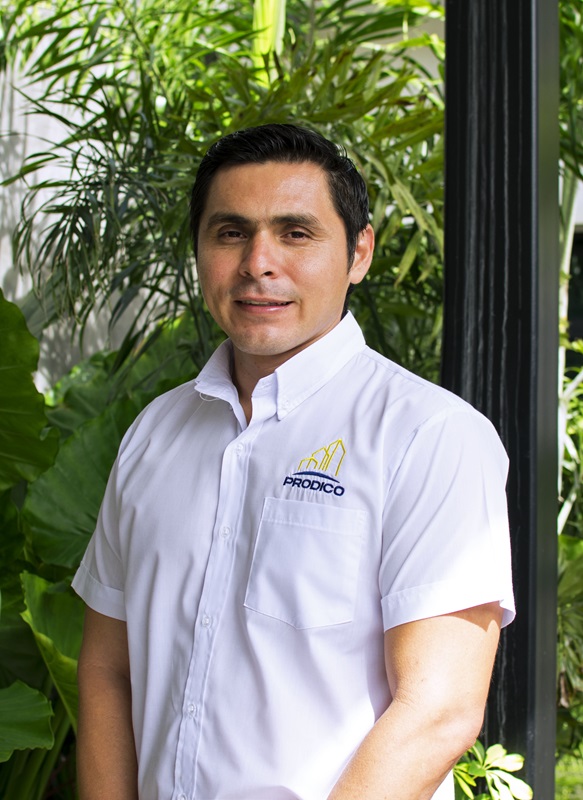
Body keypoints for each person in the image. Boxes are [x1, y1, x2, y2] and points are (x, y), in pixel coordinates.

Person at [73, 123, 515, 800]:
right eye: (230, 233)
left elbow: (437, 709)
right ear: (200, 251)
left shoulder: (430, 437)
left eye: (296, 233)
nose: (258, 263)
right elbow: (109, 670)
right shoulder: (153, 434)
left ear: (359, 252)